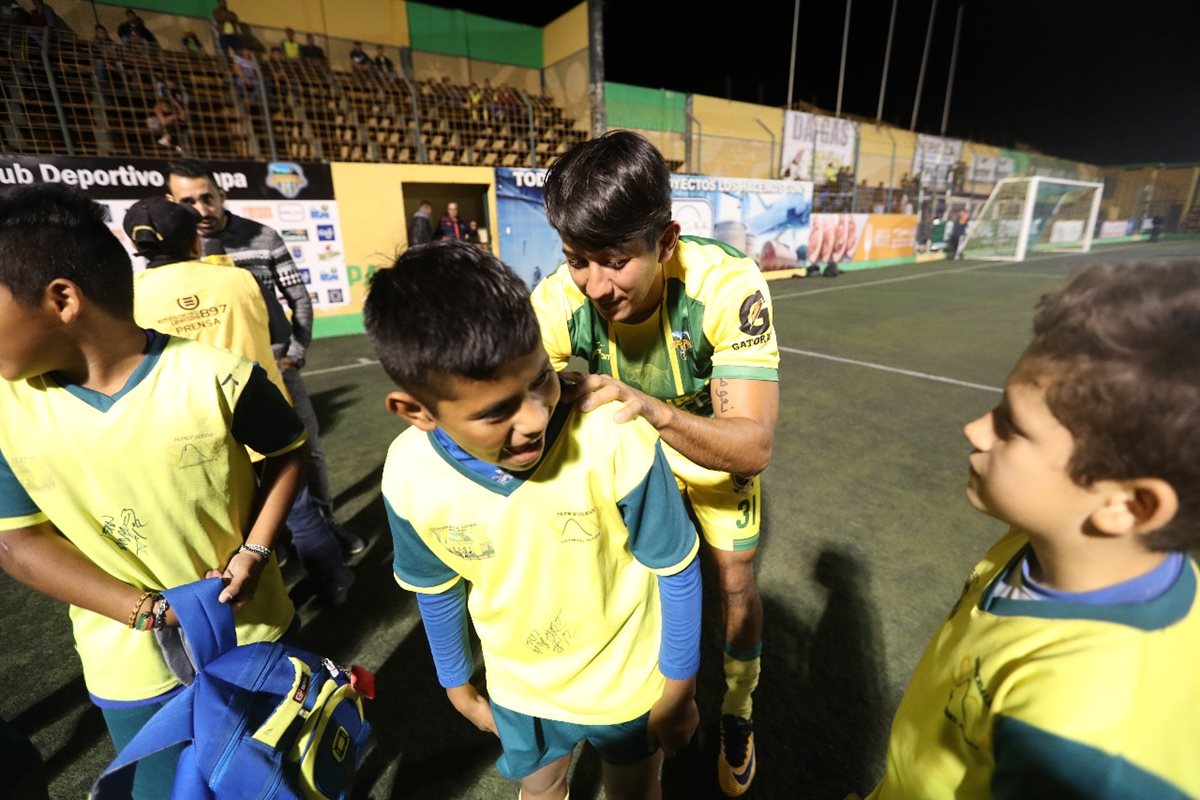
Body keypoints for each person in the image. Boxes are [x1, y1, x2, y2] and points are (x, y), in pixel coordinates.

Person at [365, 240, 702, 800]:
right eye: (496, 410)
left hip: (627, 681)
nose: (534, 418)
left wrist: (679, 688)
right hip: (519, 690)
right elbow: (436, 587)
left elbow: (675, 566)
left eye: (541, 377)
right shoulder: (407, 476)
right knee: (541, 791)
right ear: (416, 411)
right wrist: (457, 687)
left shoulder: (614, 434)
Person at [855, 262, 1200, 799]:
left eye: (1012, 425)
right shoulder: (1044, 540)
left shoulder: (1091, 744)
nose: (975, 429)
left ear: (1128, 505)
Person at [0, 185, 300, 799]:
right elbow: (17, 543)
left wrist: (256, 550)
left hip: (254, 636)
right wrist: (149, 612)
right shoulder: (6, 410)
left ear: (62, 299)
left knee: (276, 781)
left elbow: (287, 453)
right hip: (130, 669)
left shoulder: (218, 374)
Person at [532, 130, 779, 797]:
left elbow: (753, 445)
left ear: (665, 242)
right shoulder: (557, 300)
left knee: (734, 581)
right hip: (630, 458)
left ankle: (739, 708)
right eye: (577, 260)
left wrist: (655, 411)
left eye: (615, 261)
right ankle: (644, 704)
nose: (595, 285)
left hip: (711, 456)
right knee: (626, 583)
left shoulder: (725, 283)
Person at [123, 196, 353, 605]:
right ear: (194, 240)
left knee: (228, 530)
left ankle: (243, 602)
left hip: (193, 434)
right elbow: (279, 332)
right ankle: (333, 581)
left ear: (136, 246)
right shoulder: (238, 279)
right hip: (264, 415)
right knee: (299, 511)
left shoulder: (130, 298)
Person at [166, 160, 364, 557]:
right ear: (173, 203)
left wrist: (294, 354)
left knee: (307, 451)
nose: (202, 209)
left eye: (208, 198)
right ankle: (273, 538)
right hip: (209, 385)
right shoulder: (174, 252)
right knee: (232, 464)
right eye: (189, 202)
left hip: (274, 372)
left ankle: (325, 525)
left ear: (221, 195)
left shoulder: (263, 237)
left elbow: (299, 298)